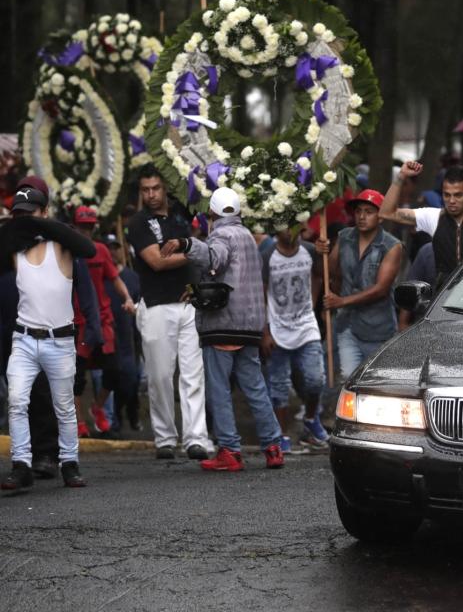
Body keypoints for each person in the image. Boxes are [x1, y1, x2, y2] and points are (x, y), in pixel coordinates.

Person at [161, 187, 284, 471]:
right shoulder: (248, 238)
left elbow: (215, 258)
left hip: (223, 323)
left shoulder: (222, 234)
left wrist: (187, 244)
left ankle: (229, 450)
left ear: (212, 214)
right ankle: (273, 447)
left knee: (219, 388)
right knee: (255, 387)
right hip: (250, 325)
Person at [1, 184, 94, 490]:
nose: (24, 221)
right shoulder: (16, 249)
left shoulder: (63, 247)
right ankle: (21, 464)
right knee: (17, 400)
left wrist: (43, 224)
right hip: (24, 339)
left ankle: (69, 463)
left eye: (30, 214)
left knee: (64, 406)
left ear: (43, 213)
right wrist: (18, 226)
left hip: (60, 340)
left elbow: (88, 248)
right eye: (19, 216)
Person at [126, 165, 210, 460]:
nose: (151, 194)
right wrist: (195, 250)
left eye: (156, 188)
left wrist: (189, 249)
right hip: (156, 304)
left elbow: (198, 230)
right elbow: (156, 262)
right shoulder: (137, 223)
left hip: (188, 302)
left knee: (193, 375)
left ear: (165, 189)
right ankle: (165, 438)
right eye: (145, 189)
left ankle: (196, 437)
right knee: (160, 376)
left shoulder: (181, 215)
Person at [320, 189, 404, 378]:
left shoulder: (392, 246)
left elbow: (381, 290)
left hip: (378, 329)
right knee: (348, 379)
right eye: (358, 211)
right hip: (347, 326)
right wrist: (323, 252)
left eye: (369, 211)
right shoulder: (344, 237)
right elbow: (328, 272)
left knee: (375, 384)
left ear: (380, 217)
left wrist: (341, 301)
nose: (362, 216)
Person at [380, 163, 463, 288]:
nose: (451, 201)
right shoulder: (434, 217)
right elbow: (387, 213)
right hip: (445, 298)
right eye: (447, 195)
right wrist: (401, 175)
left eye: (458, 195)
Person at [260, 228, 329, 452]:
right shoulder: (268, 255)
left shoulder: (310, 251)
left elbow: (320, 275)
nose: (288, 231)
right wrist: (265, 332)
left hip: (306, 326)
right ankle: (280, 435)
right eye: (282, 226)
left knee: (316, 379)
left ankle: (310, 418)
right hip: (278, 327)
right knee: (278, 388)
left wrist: (313, 303)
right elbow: (261, 294)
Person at [71, 207, 136, 435]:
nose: (86, 231)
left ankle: (97, 407)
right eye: (82, 227)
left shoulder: (100, 250)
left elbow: (114, 278)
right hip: (78, 321)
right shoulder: (68, 252)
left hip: (103, 319)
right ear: (75, 227)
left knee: (114, 371)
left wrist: (127, 298)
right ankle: (78, 420)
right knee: (76, 377)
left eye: (89, 227)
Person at [105, 234, 142, 431]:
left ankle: (131, 414)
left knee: (131, 379)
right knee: (110, 379)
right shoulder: (102, 276)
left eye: (116, 247)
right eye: (109, 247)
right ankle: (114, 419)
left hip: (130, 336)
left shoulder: (132, 277)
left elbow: (141, 304)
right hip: (108, 335)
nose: (113, 251)